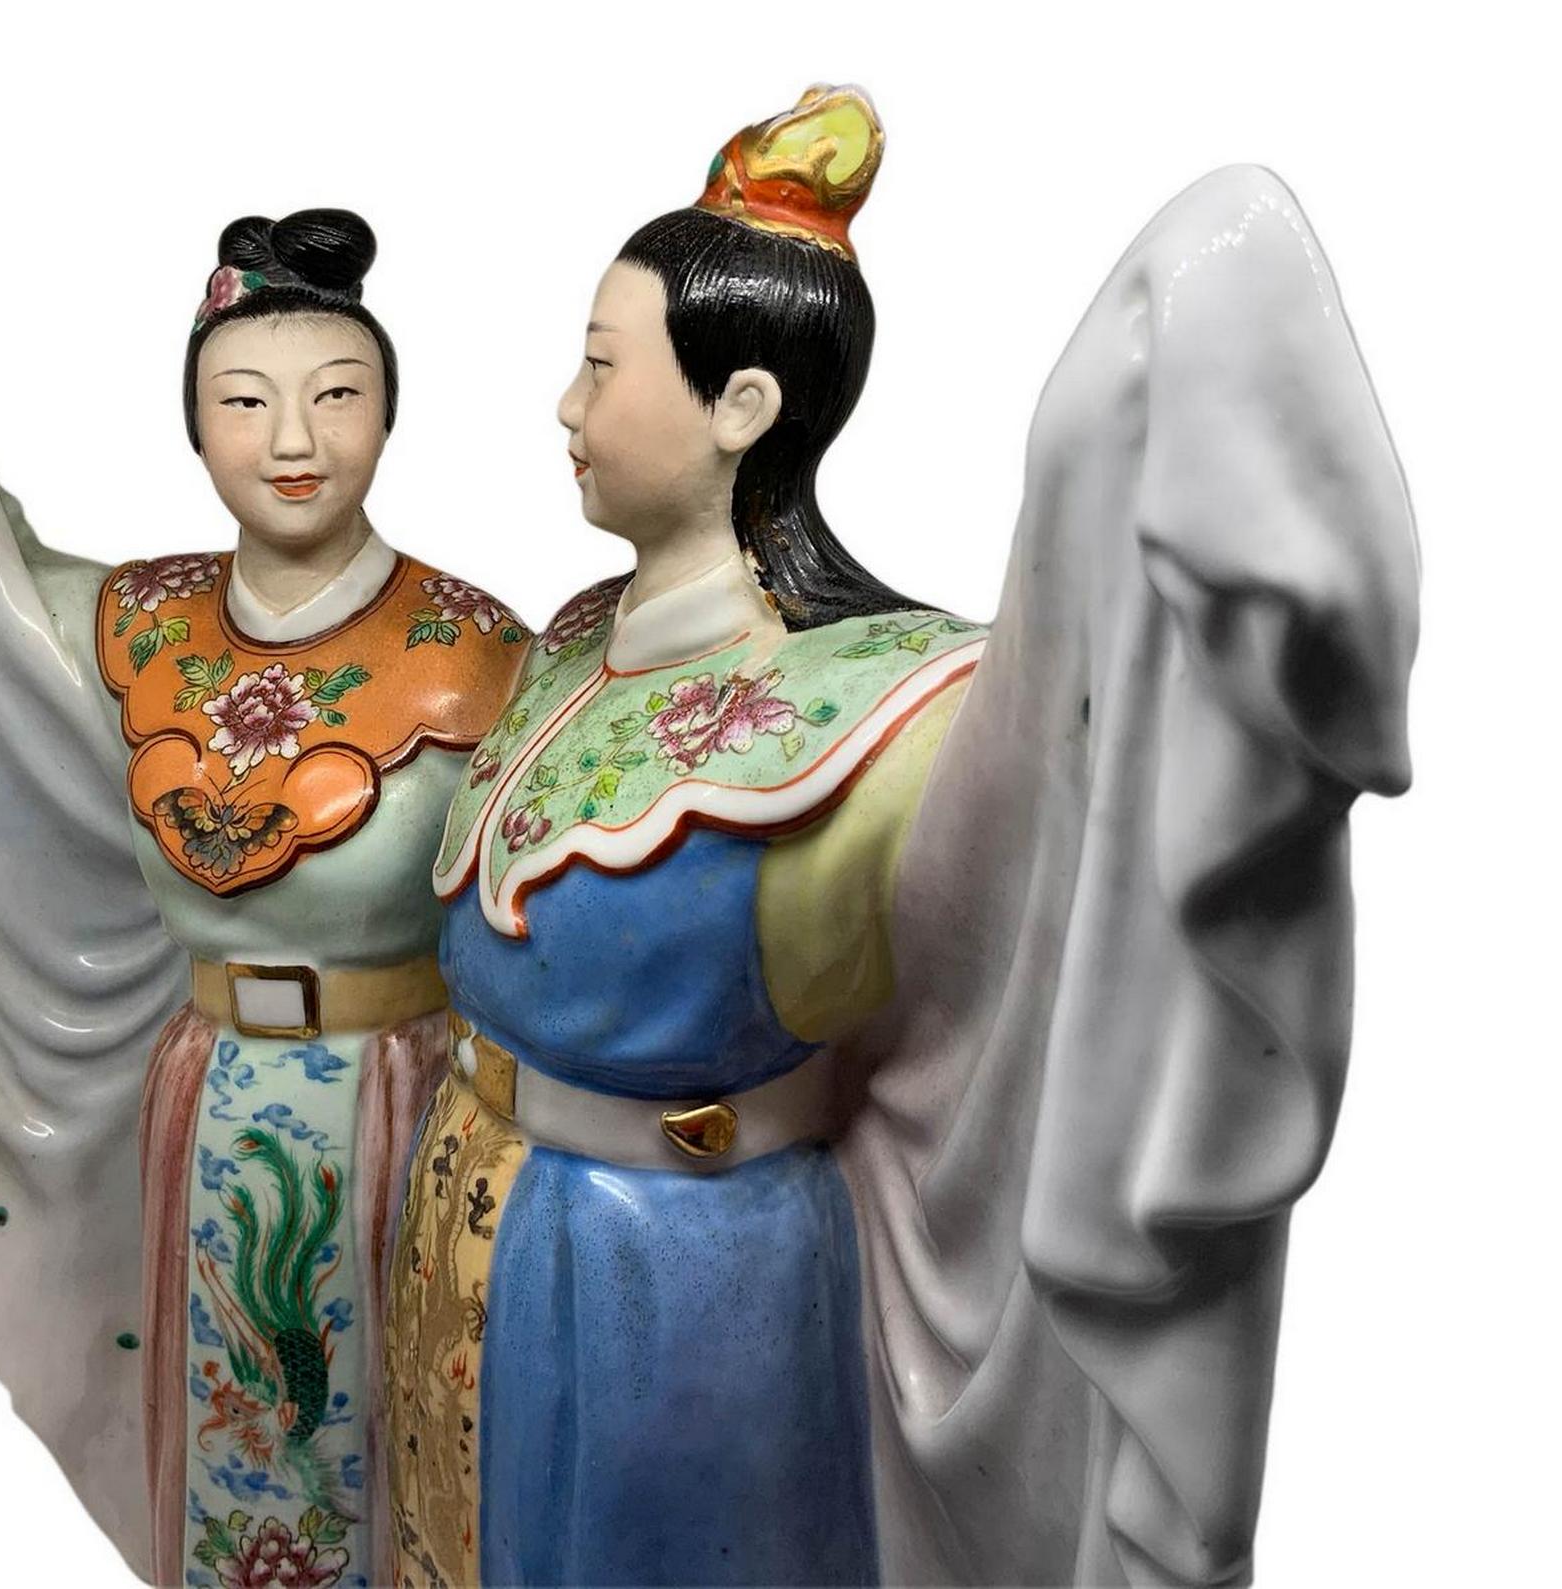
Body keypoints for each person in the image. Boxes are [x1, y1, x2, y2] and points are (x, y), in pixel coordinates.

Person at [385, 87, 1418, 1586]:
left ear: (742, 406)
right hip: (465, 1238)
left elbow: (1055, 854)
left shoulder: (889, 709)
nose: (566, 404)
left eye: (602, 366)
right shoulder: (571, 643)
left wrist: (1123, 446)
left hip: (677, 1286)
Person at [0, 208, 528, 1586]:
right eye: (246, 401)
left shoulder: (472, 647)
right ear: (194, 424)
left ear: (391, 412)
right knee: (234, 1454)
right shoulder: (140, 627)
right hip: (207, 1096)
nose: (294, 440)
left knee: (404, 1453)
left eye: (338, 394)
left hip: (405, 1100)